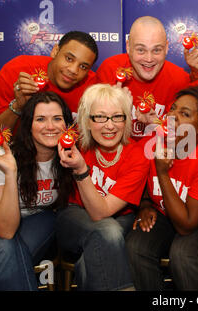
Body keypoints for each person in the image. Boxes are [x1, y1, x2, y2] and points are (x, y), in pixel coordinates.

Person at [125, 86, 198, 291]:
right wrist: (146, 204)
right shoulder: (153, 143)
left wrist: (163, 173)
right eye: (172, 109)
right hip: (166, 211)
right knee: (136, 246)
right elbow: (144, 185)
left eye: (184, 114)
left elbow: (186, 224)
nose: (172, 116)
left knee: (182, 253)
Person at [0, 91, 75, 290]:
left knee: (11, 256)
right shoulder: (1, 157)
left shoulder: (72, 157)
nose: (50, 126)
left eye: (57, 118)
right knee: (7, 250)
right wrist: (11, 173)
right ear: (28, 125)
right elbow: (5, 230)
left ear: (67, 124)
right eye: (40, 119)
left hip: (40, 218)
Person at [56, 83, 149, 290]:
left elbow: (102, 212)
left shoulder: (137, 155)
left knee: (88, 263)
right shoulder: (74, 144)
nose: (110, 125)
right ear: (86, 121)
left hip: (119, 218)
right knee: (108, 231)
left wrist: (81, 171)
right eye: (100, 117)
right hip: (74, 217)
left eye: (118, 116)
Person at [96, 16, 198, 138]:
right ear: (128, 47)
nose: (149, 59)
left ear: (167, 48)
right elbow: (93, 129)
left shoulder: (179, 78)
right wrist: (115, 109)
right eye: (141, 50)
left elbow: (190, 134)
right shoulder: (110, 70)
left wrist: (196, 74)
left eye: (156, 50)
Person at [0, 30, 98, 141]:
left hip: (66, 156)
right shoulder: (17, 71)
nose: (73, 70)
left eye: (83, 67)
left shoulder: (93, 87)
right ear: (55, 51)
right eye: (69, 59)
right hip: (16, 153)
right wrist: (18, 106)